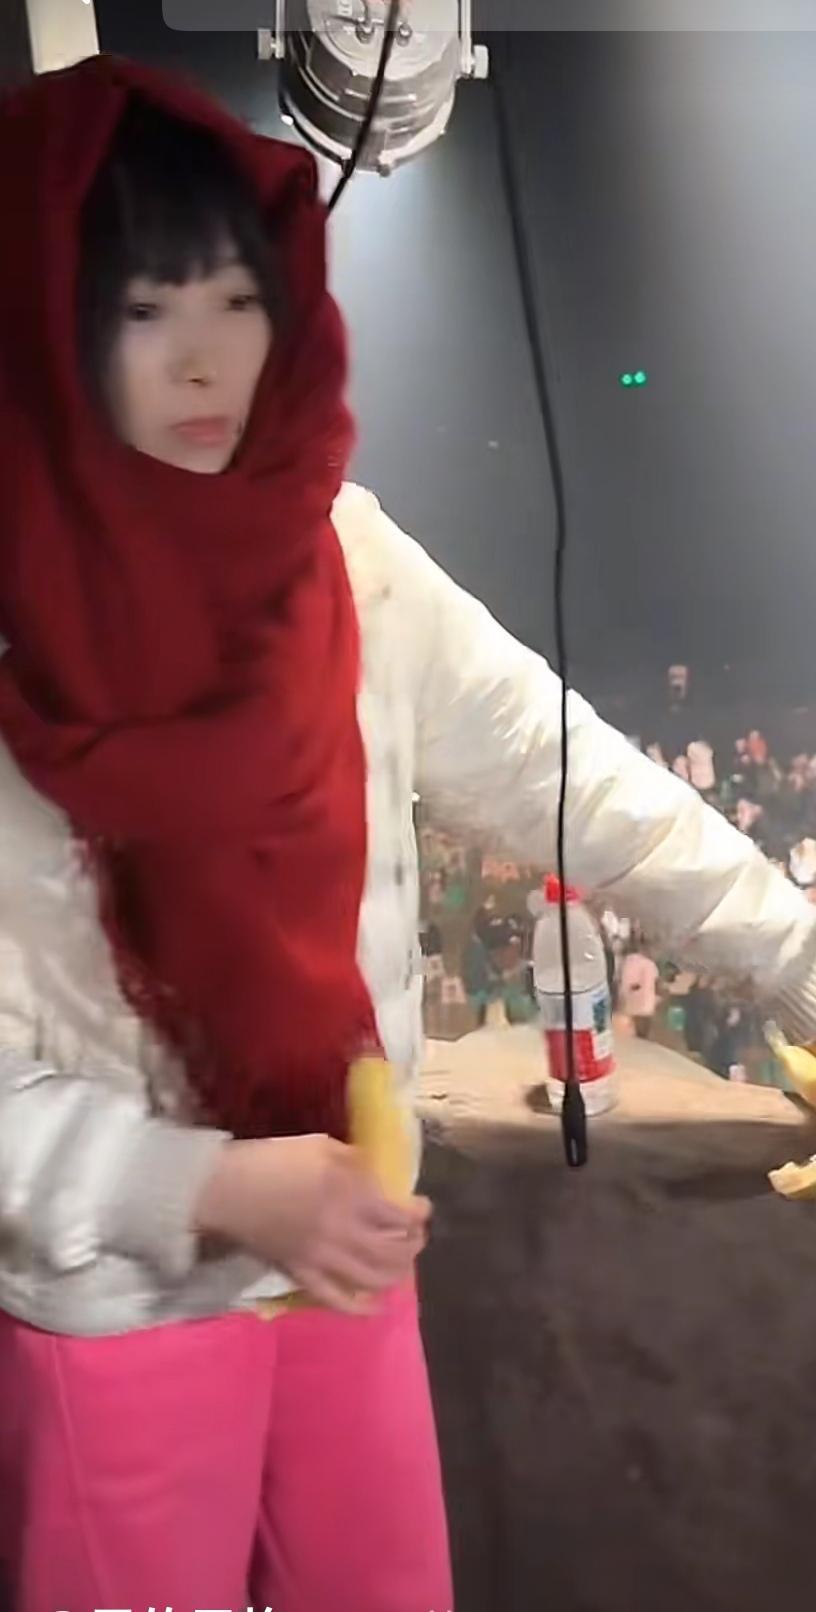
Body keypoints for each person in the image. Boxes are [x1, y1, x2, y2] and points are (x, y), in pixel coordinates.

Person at [4, 53, 816, 1611]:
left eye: (236, 299)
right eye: (143, 307)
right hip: (114, 1315)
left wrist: (801, 965)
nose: (204, 359)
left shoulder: (348, 559)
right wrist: (200, 1185)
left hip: (349, 1260)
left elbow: (576, 779)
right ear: (48, 321)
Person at [618, 945, 660, 1039]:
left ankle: (640, 1033)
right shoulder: (649, 963)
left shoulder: (627, 962)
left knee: (638, 1015)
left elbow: (624, 979)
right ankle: (643, 1034)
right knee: (644, 1016)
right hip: (647, 994)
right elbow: (656, 980)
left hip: (633, 994)